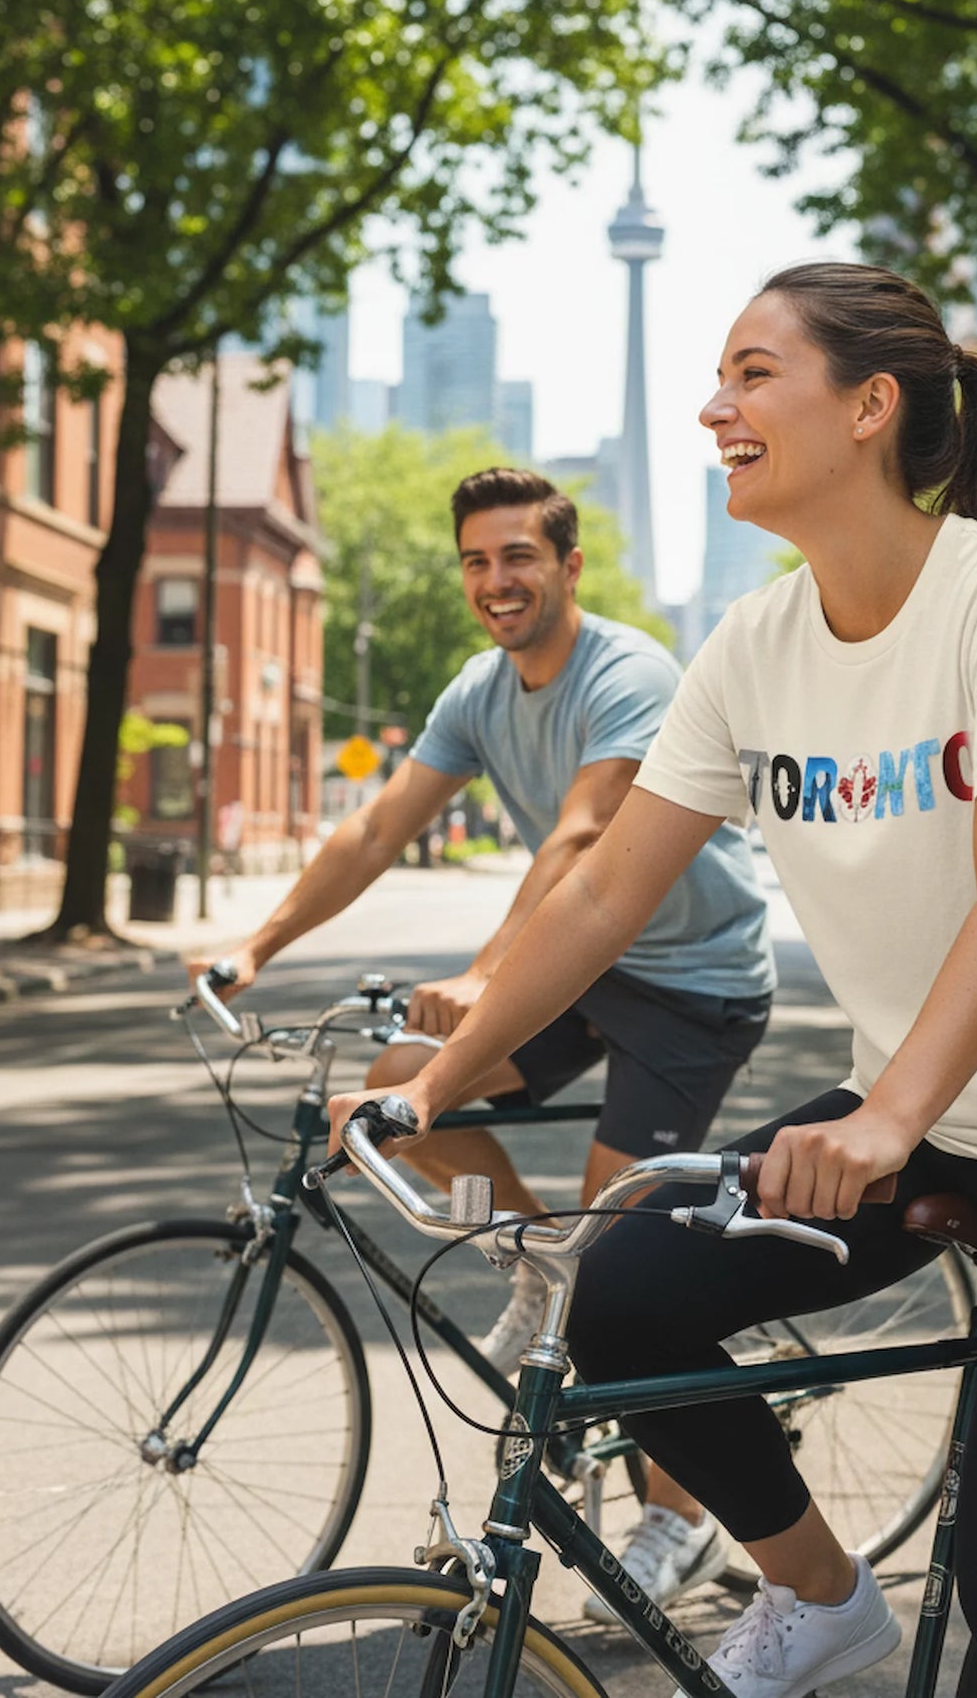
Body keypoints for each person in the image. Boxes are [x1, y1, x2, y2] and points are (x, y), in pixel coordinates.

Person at [329, 267, 977, 1698]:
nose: (714, 407)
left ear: (870, 407)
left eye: (753, 374)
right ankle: (820, 1597)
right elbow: (610, 886)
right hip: (921, 1106)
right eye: (718, 379)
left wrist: (880, 1123)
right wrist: (439, 1079)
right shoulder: (755, 642)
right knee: (620, 1300)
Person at [195, 466, 776, 1620]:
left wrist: (484, 976)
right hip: (584, 965)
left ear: (567, 566)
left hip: (689, 982)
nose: (492, 581)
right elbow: (373, 826)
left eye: (516, 556)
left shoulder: (629, 675)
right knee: (404, 1091)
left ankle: (686, 1517)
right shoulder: (480, 688)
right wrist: (254, 944)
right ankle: (533, 1258)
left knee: (625, 1275)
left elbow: (580, 839)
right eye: (474, 560)